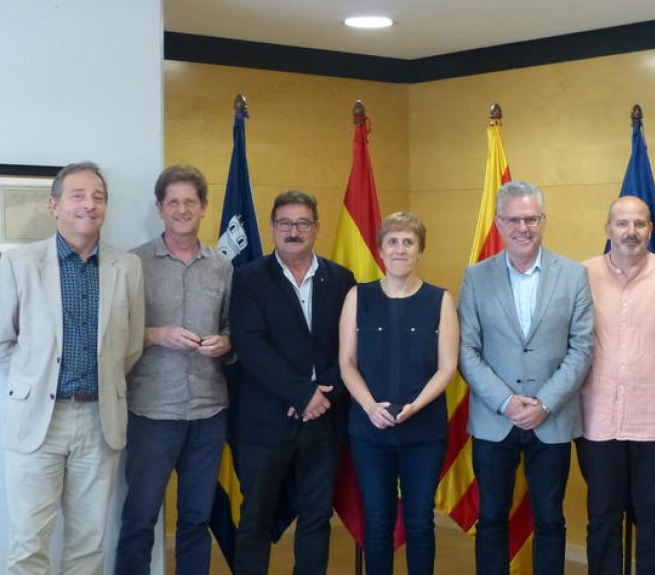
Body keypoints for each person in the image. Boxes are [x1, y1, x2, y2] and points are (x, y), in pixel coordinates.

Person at [0, 161, 145, 574]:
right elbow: (1, 343)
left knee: (88, 547)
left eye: (98, 197)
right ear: (54, 204)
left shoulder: (126, 267)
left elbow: (130, 346)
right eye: (78, 195)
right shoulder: (21, 264)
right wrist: (34, 386)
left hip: (100, 420)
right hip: (38, 420)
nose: (88, 205)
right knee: (28, 546)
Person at [458, 180, 594, 575]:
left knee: (550, 519)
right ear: (499, 223)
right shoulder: (476, 277)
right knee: (492, 519)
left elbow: (582, 347)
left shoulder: (573, 275)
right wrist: (506, 401)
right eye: (514, 219)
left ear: (544, 220)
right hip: (493, 419)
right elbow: (467, 350)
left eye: (531, 218)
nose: (523, 227)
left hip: (551, 419)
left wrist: (545, 403)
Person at [229, 190, 357, 575]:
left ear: (316, 228)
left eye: (303, 223)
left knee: (317, 519)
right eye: (285, 223)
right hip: (264, 422)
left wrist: (323, 396)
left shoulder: (341, 279)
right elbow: (251, 345)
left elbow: (352, 346)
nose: (293, 230)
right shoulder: (248, 278)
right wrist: (302, 393)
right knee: (255, 520)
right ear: (271, 228)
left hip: (324, 420)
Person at [115, 165, 233, 575]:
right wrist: (155, 333)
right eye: (173, 202)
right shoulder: (132, 264)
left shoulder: (222, 266)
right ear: (159, 208)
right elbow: (113, 334)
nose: (182, 209)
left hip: (209, 412)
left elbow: (234, 326)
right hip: (152, 412)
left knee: (197, 519)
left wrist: (227, 341)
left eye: (190, 202)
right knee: (140, 519)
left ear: (204, 207)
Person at [578, 196, 655, 575]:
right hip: (597, 419)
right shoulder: (581, 275)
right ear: (607, 229)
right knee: (602, 517)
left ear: (650, 229)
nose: (631, 232)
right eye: (622, 223)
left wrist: (652, 376)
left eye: (640, 224)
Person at [338, 211, 459, 575]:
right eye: (393, 241)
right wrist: (369, 406)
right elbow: (346, 362)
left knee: (421, 520)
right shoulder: (358, 296)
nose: (400, 249)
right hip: (369, 429)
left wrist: (415, 406)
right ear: (380, 249)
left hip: (424, 432)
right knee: (377, 521)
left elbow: (447, 367)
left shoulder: (441, 300)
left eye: (409, 242)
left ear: (421, 249)